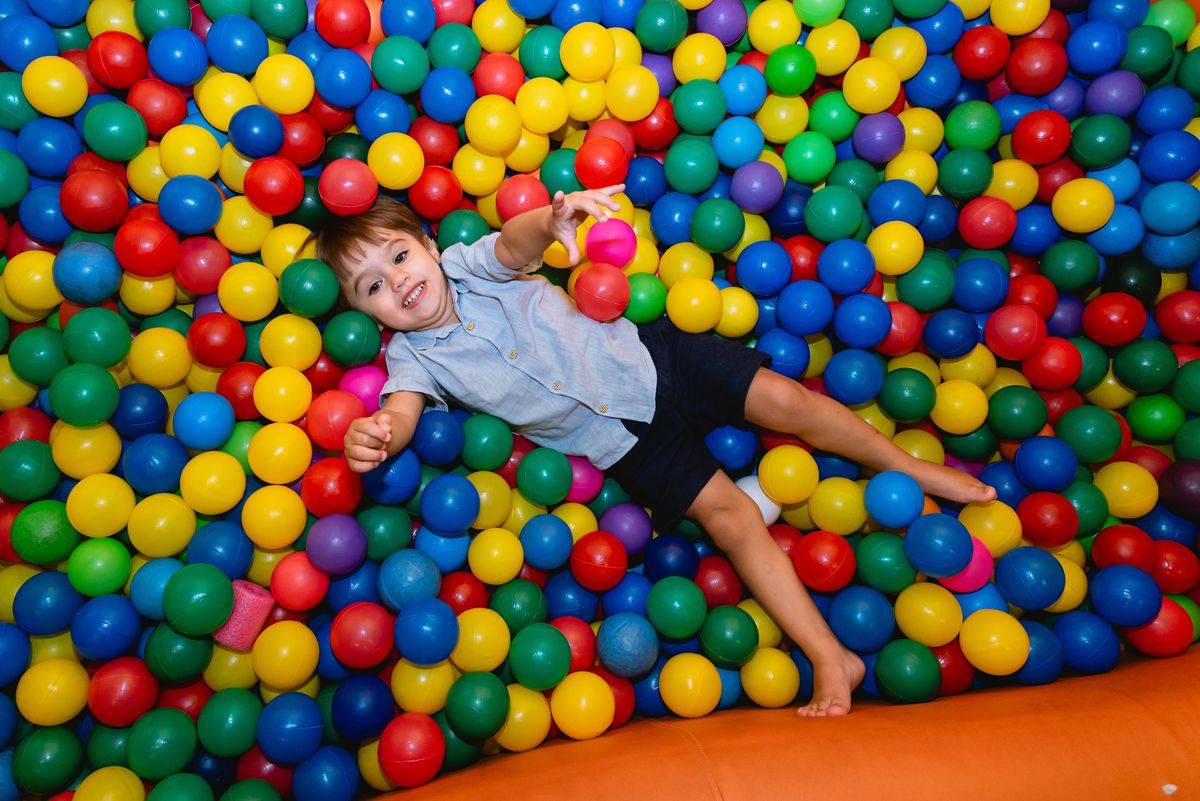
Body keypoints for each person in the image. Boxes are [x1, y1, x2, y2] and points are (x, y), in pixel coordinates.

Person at [319, 185, 997, 716]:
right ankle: (830, 654)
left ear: (429, 246)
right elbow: (401, 411)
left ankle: (909, 466)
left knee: (787, 402)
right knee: (730, 516)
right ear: (370, 315)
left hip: (654, 359)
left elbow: (515, 246)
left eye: (399, 256)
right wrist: (378, 434)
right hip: (622, 444)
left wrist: (553, 221)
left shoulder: (469, 265)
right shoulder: (412, 358)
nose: (398, 281)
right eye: (374, 286)